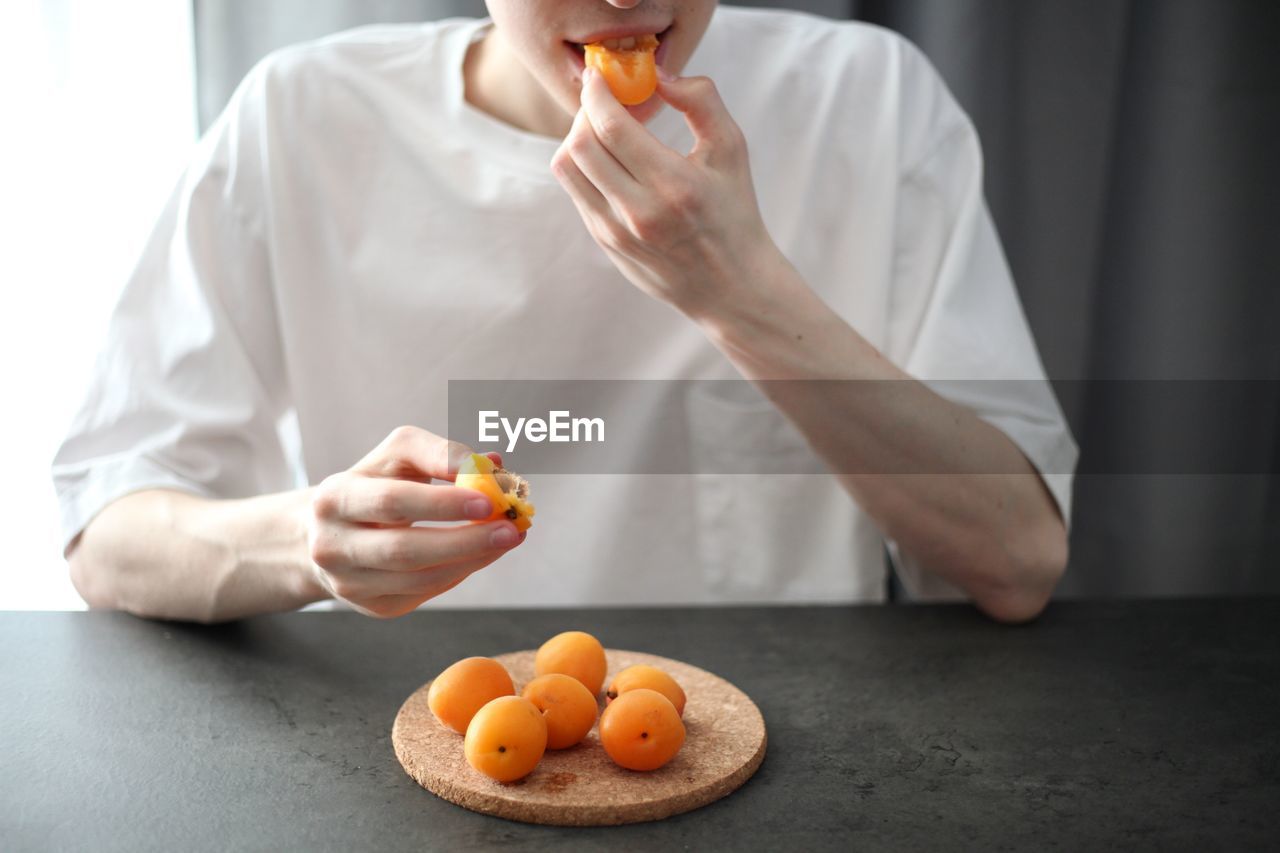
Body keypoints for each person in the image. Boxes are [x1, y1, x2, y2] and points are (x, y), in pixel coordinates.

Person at [53, 1, 1077, 625]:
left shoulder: (868, 98)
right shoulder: (302, 118)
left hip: (780, 758)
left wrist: (739, 291)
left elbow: (1016, 560)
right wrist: (309, 543)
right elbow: (110, 530)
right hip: (409, 755)